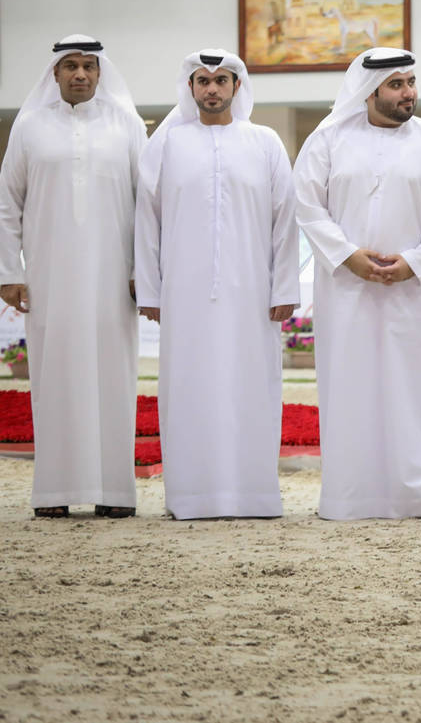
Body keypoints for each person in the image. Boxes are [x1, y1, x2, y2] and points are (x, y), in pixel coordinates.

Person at [292, 49, 421, 520]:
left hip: (417, 289)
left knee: (418, 391)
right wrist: (347, 255)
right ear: (370, 92)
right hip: (347, 289)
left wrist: (416, 261)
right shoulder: (328, 139)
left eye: (411, 82)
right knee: (351, 388)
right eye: (397, 85)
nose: (408, 93)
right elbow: (307, 204)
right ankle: (349, 496)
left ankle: (420, 496)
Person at [134, 50, 299, 520]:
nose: (211, 89)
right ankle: (191, 496)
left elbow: (285, 218)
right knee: (189, 387)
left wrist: (284, 287)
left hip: (252, 293)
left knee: (252, 386)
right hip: (183, 294)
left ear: (236, 86)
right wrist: (151, 290)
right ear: (190, 88)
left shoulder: (264, 142)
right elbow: (147, 220)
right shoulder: (167, 144)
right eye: (202, 81)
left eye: (221, 80)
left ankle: (254, 496)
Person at [0, 36, 146, 519]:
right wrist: (9, 272)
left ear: (100, 73)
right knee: (54, 375)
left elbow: (148, 204)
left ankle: (115, 492)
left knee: (114, 375)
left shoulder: (127, 125)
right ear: (55, 74)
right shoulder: (29, 127)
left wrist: (142, 269)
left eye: (88, 66)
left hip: (113, 279)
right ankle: (54, 492)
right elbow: (7, 204)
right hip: (50, 277)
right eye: (70, 66)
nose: (80, 74)